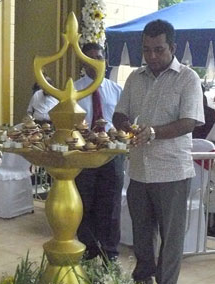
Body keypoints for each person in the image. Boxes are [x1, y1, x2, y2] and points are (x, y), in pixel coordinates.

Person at [113, 19, 204, 284]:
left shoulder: (188, 78)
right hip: (139, 171)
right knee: (141, 235)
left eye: (159, 49)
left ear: (172, 48)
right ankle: (143, 278)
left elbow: (190, 121)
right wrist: (127, 127)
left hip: (172, 172)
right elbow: (120, 113)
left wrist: (152, 132)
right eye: (147, 49)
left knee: (171, 238)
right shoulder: (135, 77)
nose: (152, 56)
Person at [74, 42, 124, 261]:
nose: (96, 62)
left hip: (111, 157)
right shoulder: (73, 91)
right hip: (84, 157)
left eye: (99, 57)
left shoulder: (116, 90)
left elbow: (124, 122)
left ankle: (109, 252)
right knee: (85, 204)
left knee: (111, 205)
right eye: (91, 58)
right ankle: (88, 248)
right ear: (83, 62)